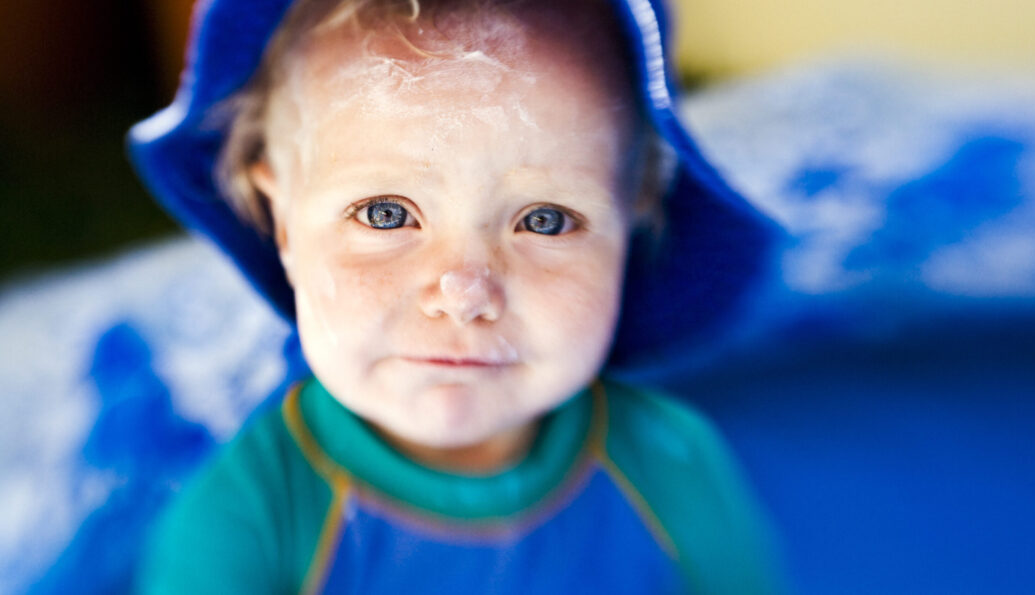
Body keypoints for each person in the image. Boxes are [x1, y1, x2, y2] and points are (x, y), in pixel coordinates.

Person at [129, 0, 786, 592]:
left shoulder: (675, 466)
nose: (465, 293)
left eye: (545, 219)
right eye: (386, 213)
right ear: (284, 225)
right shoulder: (247, 522)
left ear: (632, 221)